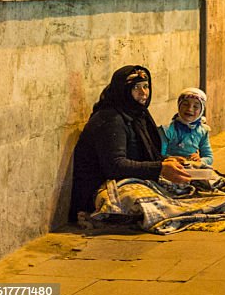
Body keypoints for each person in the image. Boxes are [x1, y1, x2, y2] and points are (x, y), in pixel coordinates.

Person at [70, 66, 190, 220]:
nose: (144, 93)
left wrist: (164, 161)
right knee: (148, 204)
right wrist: (160, 168)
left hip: (128, 178)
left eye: (146, 86)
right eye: (136, 87)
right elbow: (115, 166)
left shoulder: (137, 113)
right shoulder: (111, 120)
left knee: (193, 177)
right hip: (103, 186)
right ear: (123, 90)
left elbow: (141, 152)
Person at [160, 88, 213, 166]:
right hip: (171, 169)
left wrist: (200, 160)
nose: (190, 109)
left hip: (193, 169)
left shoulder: (202, 131)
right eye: (185, 104)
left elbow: (209, 157)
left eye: (195, 106)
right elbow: (159, 155)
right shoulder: (167, 130)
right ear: (179, 106)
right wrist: (172, 159)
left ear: (201, 110)